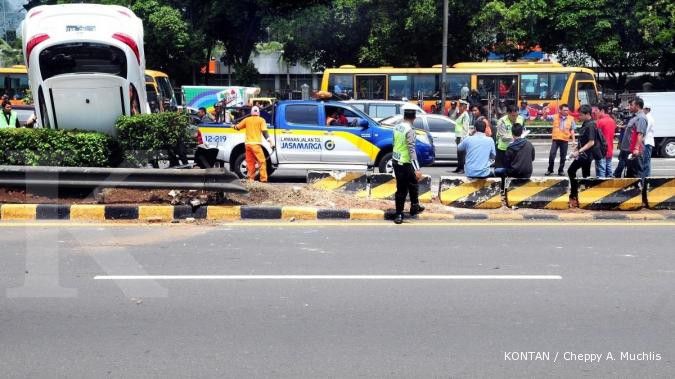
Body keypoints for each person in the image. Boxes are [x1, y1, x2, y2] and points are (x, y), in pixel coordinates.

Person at [392, 106, 424, 224]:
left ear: (404, 116)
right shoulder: (409, 130)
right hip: (405, 163)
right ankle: (399, 213)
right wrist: (417, 169)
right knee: (403, 188)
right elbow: (411, 150)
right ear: (414, 118)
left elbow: (393, 142)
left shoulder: (397, 126)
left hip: (396, 161)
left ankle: (415, 206)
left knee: (413, 183)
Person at [568, 105, 603, 208]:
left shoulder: (591, 125)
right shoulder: (585, 123)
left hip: (586, 155)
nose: (579, 116)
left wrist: (578, 152)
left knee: (571, 171)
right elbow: (583, 140)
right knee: (585, 175)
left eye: (581, 115)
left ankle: (574, 194)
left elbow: (591, 142)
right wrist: (576, 149)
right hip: (584, 154)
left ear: (587, 114)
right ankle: (583, 195)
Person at [233, 106, 275, 182]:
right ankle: (263, 179)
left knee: (250, 162)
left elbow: (238, 127)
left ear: (251, 113)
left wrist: (234, 126)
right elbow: (265, 132)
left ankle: (250, 179)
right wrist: (270, 142)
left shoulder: (247, 120)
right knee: (262, 161)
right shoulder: (261, 120)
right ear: (258, 113)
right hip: (256, 145)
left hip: (248, 145)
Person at [614, 98, 647, 178]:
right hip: (628, 150)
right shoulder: (634, 117)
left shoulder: (641, 118)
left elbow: (640, 134)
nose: (629, 107)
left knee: (636, 174)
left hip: (634, 151)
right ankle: (631, 189)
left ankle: (639, 189)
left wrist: (636, 149)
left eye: (631, 105)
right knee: (629, 174)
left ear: (637, 106)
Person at [546, 103, 576, 176]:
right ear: (560, 110)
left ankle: (561, 170)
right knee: (552, 155)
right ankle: (550, 169)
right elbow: (546, 118)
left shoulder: (571, 118)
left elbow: (572, 130)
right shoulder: (555, 116)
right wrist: (544, 111)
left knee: (563, 156)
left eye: (567, 110)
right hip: (556, 139)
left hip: (565, 140)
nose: (566, 111)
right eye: (564, 110)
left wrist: (574, 140)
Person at [595, 104, 616, 178]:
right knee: (608, 167)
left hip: (601, 149)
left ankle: (601, 186)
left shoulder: (599, 122)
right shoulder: (612, 121)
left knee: (601, 169)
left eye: (597, 110)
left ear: (602, 111)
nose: (595, 112)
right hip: (609, 148)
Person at [453, 100, 471, 174]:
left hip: (462, 137)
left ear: (464, 107)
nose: (459, 107)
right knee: (459, 153)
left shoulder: (465, 115)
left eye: (460, 106)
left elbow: (465, 128)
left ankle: (462, 169)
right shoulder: (461, 114)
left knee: (462, 154)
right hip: (458, 136)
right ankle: (459, 167)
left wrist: (463, 139)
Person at [643, 103, 655, 178]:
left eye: (644, 109)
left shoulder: (648, 118)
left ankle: (646, 179)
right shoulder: (648, 117)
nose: (643, 110)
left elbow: (645, 130)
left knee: (646, 162)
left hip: (647, 142)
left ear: (647, 109)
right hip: (647, 142)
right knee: (647, 161)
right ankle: (647, 178)